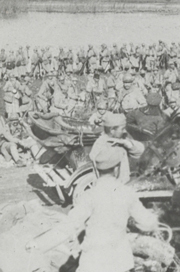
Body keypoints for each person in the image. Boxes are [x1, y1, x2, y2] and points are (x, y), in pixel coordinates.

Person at [26, 146, 158, 272]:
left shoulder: (89, 196)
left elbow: (67, 228)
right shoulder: (127, 193)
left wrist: (38, 244)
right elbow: (148, 223)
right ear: (117, 169)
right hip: (120, 263)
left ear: (95, 169)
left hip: (94, 263)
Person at [89, 112, 145, 183]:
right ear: (112, 130)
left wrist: (126, 143)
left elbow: (141, 150)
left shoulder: (121, 139)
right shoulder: (101, 143)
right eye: (122, 129)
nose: (124, 131)